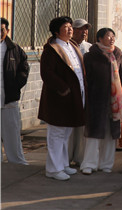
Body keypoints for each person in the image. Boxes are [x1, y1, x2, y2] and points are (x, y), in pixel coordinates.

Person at [39, 16, 86, 180]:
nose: (70, 29)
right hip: (59, 98)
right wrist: (63, 89)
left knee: (66, 133)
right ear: (56, 31)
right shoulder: (51, 48)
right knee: (56, 134)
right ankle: (53, 169)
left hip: (74, 96)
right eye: (66, 27)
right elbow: (47, 73)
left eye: (70, 26)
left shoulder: (71, 45)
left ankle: (63, 164)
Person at [81, 28, 122, 175]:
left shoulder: (117, 53)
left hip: (115, 100)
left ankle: (106, 164)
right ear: (100, 38)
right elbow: (86, 79)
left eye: (113, 36)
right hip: (96, 99)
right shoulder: (91, 56)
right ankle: (89, 164)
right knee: (94, 133)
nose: (112, 39)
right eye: (109, 36)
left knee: (111, 134)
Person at [1, 17, 30, 165]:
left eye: (2, 30)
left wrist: (15, 85)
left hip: (9, 97)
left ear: (7, 30)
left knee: (12, 130)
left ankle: (17, 160)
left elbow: (24, 69)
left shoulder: (14, 49)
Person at [69, 18, 91, 166]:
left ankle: (80, 157)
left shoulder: (90, 48)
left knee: (82, 127)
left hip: (85, 92)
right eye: (80, 29)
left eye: (85, 29)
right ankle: (66, 157)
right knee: (69, 128)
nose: (84, 32)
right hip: (70, 93)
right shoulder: (66, 47)